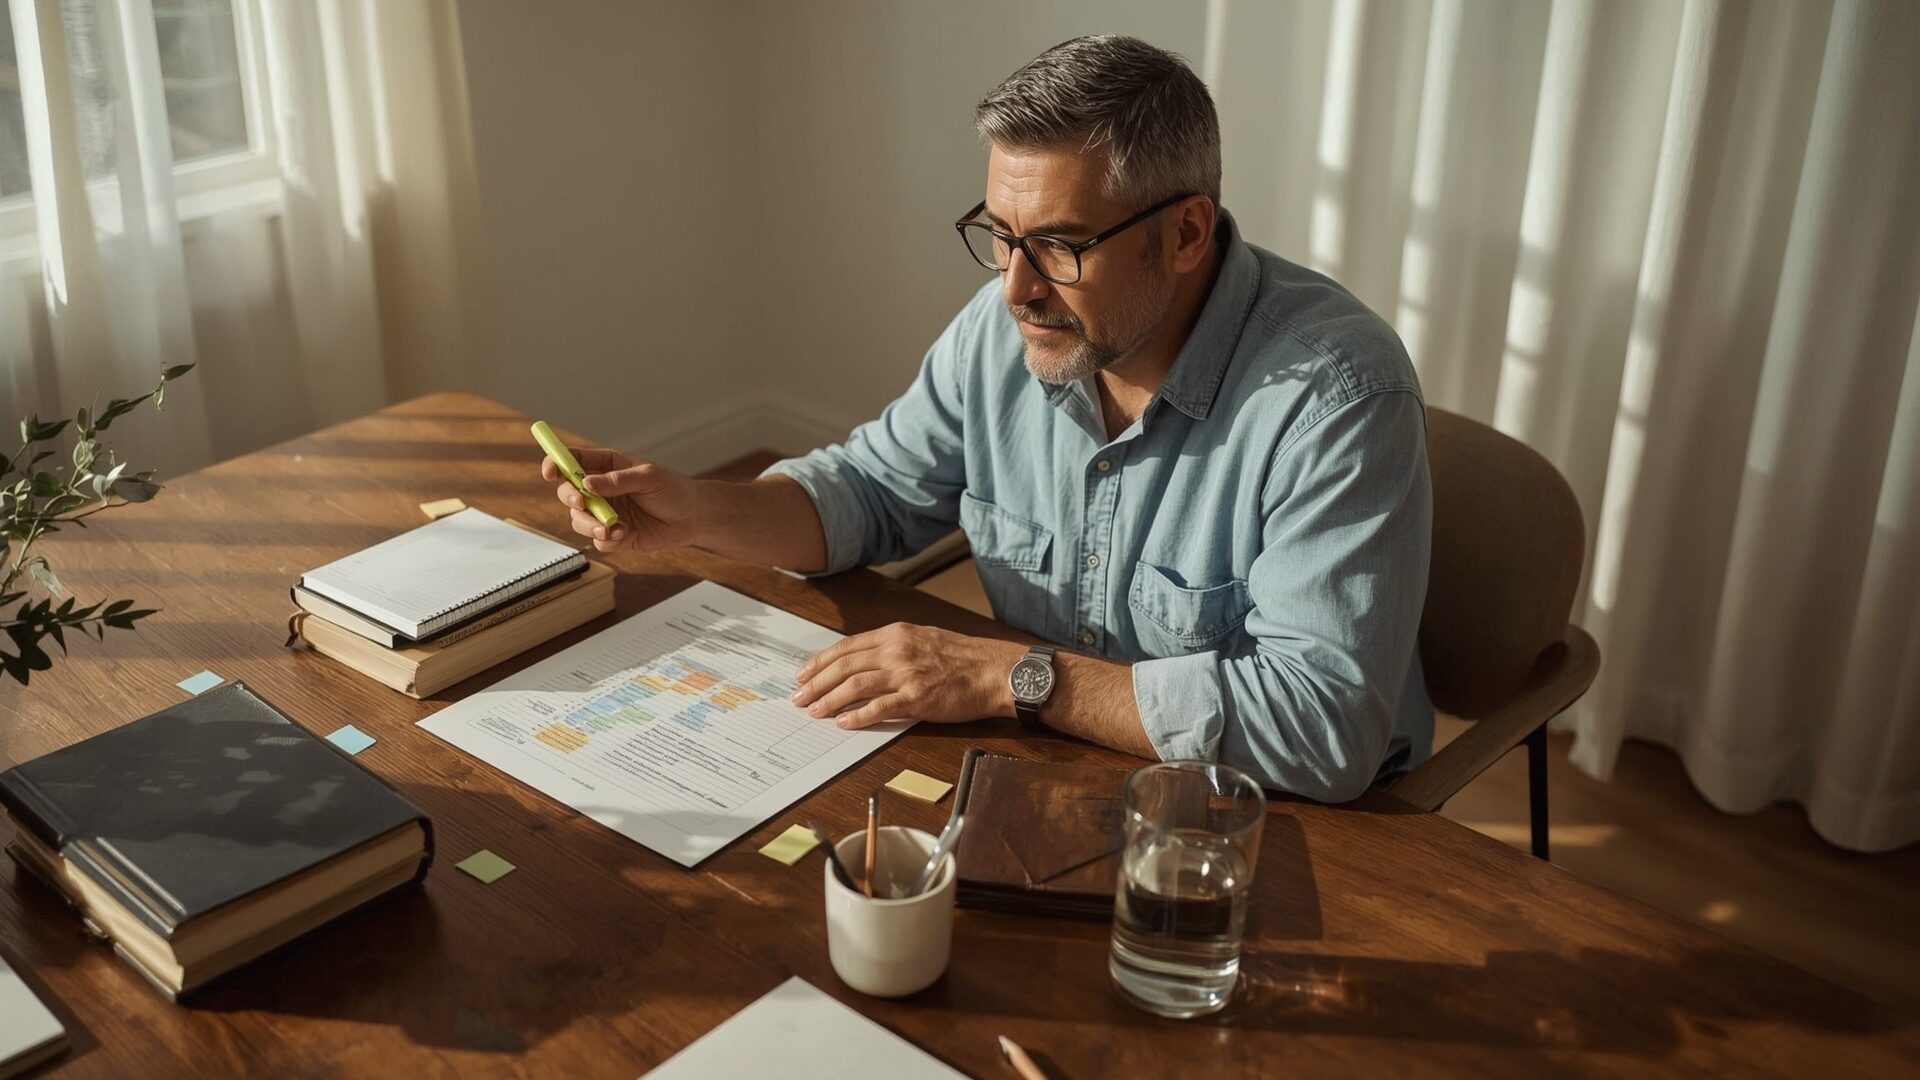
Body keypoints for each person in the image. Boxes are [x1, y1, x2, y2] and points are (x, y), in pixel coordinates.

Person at [544, 35, 1432, 802]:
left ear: (1187, 234)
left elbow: (1323, 730)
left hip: (1276, 817)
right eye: (1001, 234)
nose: (1014, 286)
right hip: (1053, 761)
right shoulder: (1001, 329)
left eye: (1059, 244)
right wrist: (695, 512)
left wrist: (1010, 674)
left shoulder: (1336, 398)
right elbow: (870, 492)